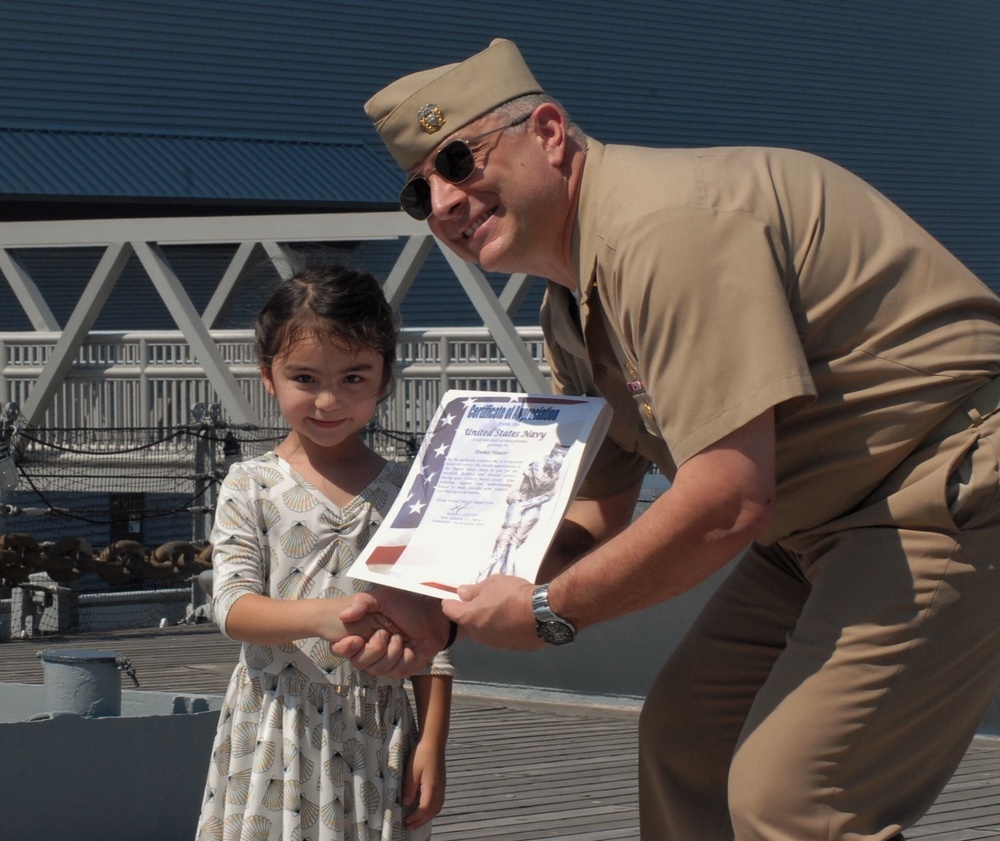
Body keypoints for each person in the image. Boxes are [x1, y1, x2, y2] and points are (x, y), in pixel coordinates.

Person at [335, 38, 1000, 841]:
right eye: (420, 191)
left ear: (548, 132)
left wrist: (547, 610)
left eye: (458, 159)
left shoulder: (663, 230)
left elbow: (727, 501)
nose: (443, 200)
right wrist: (436, 600)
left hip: (941, 490)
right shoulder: (570, 302)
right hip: (815, 527)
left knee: (794, 803)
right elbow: (596, 516)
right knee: (686, 746)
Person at [195, 261, 453, 841]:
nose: (329, 400)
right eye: (305, 378)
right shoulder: (249, 483)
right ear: (269, 375)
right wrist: (324, 617)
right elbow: (232, 607)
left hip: (378, 729)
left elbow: (435, 633)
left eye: (354, 378)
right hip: (274, 725)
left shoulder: (413, 490)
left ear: (385, 376)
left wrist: (432, 742)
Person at [480, 443, 568, 579]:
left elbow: (545, 489)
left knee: (512, 543)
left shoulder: (552, 474)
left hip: (529, 508)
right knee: (506, 542)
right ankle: (493, 573)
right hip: (523, 504)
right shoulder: (543, 466)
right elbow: (541, 486)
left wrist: (529, 501)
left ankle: (503, 574)